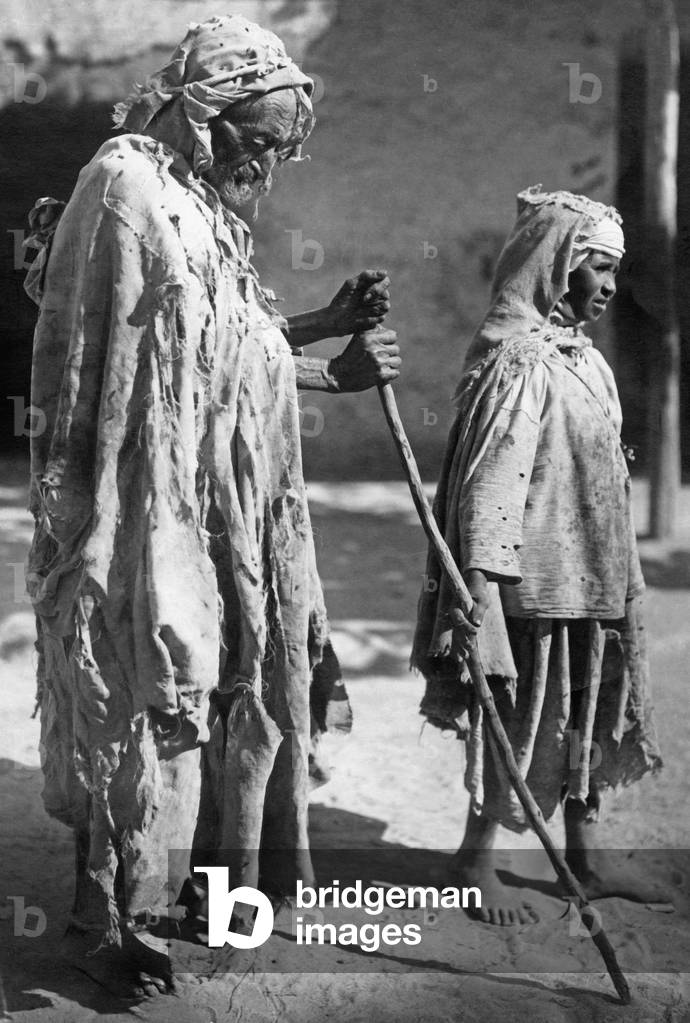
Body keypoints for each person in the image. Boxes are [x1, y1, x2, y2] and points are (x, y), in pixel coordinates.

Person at [24, 14, 399, 992]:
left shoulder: (194, 201)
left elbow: (224, 338)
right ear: (204, 110)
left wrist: (325, 341)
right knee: (143, 692)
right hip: (141, 503)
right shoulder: (125, 188)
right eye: (258, 141)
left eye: (282, 151)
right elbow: (126, 362)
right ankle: (112, 924)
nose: (267, 167)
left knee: (230, 688)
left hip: (220, 500)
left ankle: (204, 895)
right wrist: (319, 357)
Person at [412, 185, 664, 927]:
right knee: (518, 714)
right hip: (533, 584)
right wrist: (481, 597)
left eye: (615, 271)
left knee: (589, 707)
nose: (609, 286)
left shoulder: (584, 361)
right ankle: (474, 858)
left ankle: (586, 853)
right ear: (555, 265)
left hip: (596, 575)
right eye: (597, 268)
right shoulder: (520, 365)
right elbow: (490, 488)